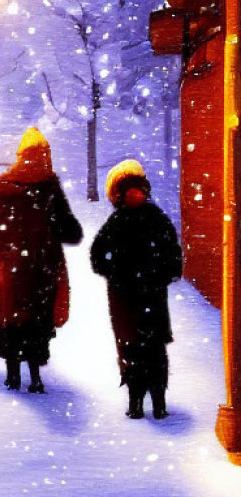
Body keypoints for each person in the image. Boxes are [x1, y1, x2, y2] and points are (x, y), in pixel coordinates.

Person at [0, 128, 82, 393]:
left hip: (11, 268)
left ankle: (12, 375)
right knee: (37, 321)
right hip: (42, 267)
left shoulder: (2, 186)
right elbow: (70, 231)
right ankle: (35, 378)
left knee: (12, 320)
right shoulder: (49, 186)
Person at [90, 160, 182, 419]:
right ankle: (159, 403)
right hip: (152, 296)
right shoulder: (158, 218)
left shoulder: (116, 221)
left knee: (130, 348)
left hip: (124, 299)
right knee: (155, 349)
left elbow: (97, 258)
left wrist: (117, 274)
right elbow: (174, 261)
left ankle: (135, 403)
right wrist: (157, 276)